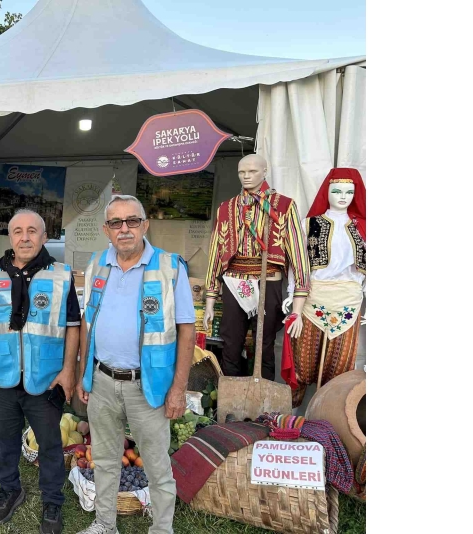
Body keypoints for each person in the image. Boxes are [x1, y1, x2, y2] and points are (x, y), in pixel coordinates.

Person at [75, 195, 195, 534]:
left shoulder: (170, 266)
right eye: (116, 223)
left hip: (149, 387)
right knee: (106, 461)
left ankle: (161, 529)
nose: (124, 229)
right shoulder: (97, 263)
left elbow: (187, 331)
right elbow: (90, 323)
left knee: (157, 466)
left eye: (132, 221)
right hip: (102, 381)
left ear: (145, 224)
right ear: (106, 229)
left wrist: (178, 389)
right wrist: (86, 375)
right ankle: (104, 524)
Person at [0, 209, 80, 534]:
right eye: (18, 231)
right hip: (4, 374)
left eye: (32, 231)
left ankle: (52, 502)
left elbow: (74, 326)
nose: (25, 237)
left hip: (46, 378)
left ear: (44, 236)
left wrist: (68, 371)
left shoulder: (62, 275)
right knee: (5, 441)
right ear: (10, 237)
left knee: (50, 444)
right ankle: (11, 490)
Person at [203, 154, 311, 380]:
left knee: (265, 343)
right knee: (231, 341)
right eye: (242, 172)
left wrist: (298, 308)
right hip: (234, 281)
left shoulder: (283, 206)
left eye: (252, 171)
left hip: (268, 280)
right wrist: (211, 299)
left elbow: (298, 254)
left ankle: (264, 402)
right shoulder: (226, 208)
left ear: (265, 171)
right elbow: (215, 252)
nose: (246, 176)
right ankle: (231, 397)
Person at [285, 168, 366, 407]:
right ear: (326, 192)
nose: (343, 196)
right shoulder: (308, 224)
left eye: (350, 191)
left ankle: (328, 418)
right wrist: (293, 294)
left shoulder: (364, 227)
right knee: (303, 360)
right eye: (337, 190)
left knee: (340, 364)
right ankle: (291, 417)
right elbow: (297, 264)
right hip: (313, 296)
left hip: (349, 299)